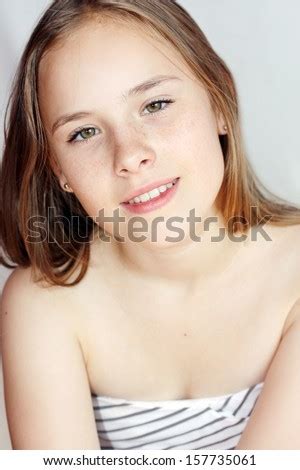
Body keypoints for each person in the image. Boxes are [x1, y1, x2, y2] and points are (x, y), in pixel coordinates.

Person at [0, 0, 300, 451]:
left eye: (155, 104)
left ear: (219, 102)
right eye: (83, 132)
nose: (129, 155)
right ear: (57, 168)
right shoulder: (43, 303)